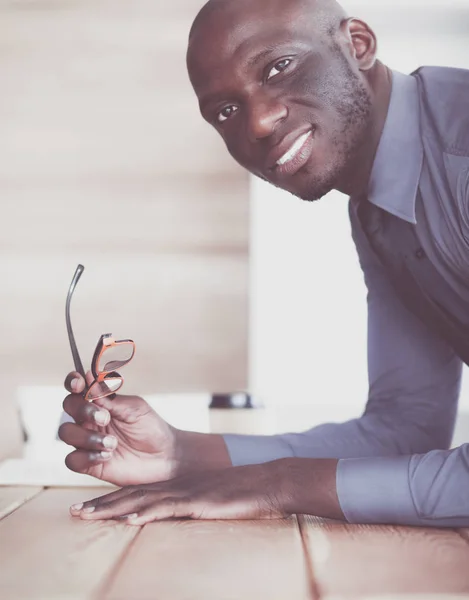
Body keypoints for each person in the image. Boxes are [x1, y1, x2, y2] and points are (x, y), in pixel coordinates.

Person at [59, 0, 469, 527]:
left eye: (279, 66)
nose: (258, 121)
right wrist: (181, 455)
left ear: (358, 45)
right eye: (225, 111)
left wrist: (282, 484)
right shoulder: (377, 209)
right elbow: (404, 429)